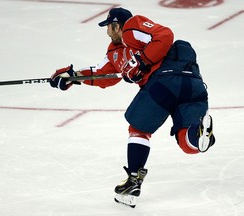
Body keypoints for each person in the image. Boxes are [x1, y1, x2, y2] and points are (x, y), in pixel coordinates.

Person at [49, 7, 216, 207]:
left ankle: (133, 182)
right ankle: (199, 133)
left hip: (163, 82)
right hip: (193, 86)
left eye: (108, 27)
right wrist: (73, 76)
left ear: (117, 25)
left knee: (139, 130)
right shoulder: (115, 53)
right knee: (189, 144)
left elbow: (164, 35)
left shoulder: (131, 27)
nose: (107, 32)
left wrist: (142, 63)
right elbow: (103, 75)